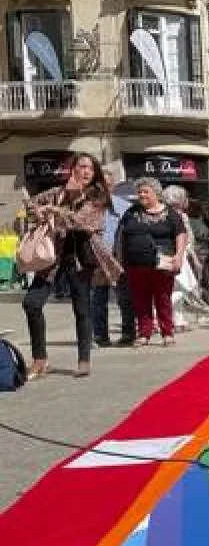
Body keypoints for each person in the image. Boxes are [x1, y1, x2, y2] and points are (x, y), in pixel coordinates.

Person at [23, 153, 120, 378]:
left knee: (81, 308)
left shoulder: (98, 196)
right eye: (82, 166)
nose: (86, 171)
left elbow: (82, 223)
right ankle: (40, 360)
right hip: (51, 257)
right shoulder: (56, 193)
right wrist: (36, 212)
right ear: (72, 170)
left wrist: (54, 210)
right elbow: (30, 205)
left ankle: (84, 359)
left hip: (79, 256)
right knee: (31, 303)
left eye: (90, 168)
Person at [117, 177, 188, 348]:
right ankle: (144, 333)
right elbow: (121, 236)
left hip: (162, 263)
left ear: (156, 193)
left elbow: (181, 234)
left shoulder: (170, 214)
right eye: (139, 192)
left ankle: (167, 332)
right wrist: (119, 259)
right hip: (135, 264)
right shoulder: (131, 213)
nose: (141, 195)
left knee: (163, 298)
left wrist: (179, 255)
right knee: (141, 299)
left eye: (145, 191)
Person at [92, 169, 136, 348]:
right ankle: (100, 335)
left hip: (119, 260)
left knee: (125, 299)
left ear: (113, 187)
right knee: (98, 300)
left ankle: (128, 333)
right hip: (96, 260)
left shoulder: (125, 207)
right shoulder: (89, 208)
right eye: (99, 185)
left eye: (107, 185)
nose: (103, 188)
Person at [162, 186, 209, 331]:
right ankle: (156, 314)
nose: (187, 201)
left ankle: (177, 320)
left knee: (175, 287)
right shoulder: (179, 216)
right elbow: (186, 239)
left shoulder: (165, 214)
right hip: (180, 255)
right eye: (185, 198)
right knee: (183, 287)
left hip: (172, 254)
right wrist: (194, 258)